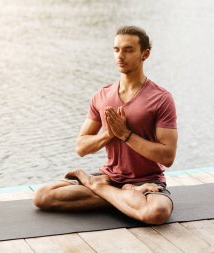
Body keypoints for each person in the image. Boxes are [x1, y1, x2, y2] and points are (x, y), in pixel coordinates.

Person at [33, 25, 178, 225]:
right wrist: (108, 134)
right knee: (43, 196)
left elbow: (167, 156)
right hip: (111, 177)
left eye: (128, 50)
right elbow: (81, 147)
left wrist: (126, 135)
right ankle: (124, 197)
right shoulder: (102, 95)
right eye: (116, 50)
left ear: (145, 54)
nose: (120, 56)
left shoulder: (161, 99)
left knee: (157, 212)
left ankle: (97, 186)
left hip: (147, 181)